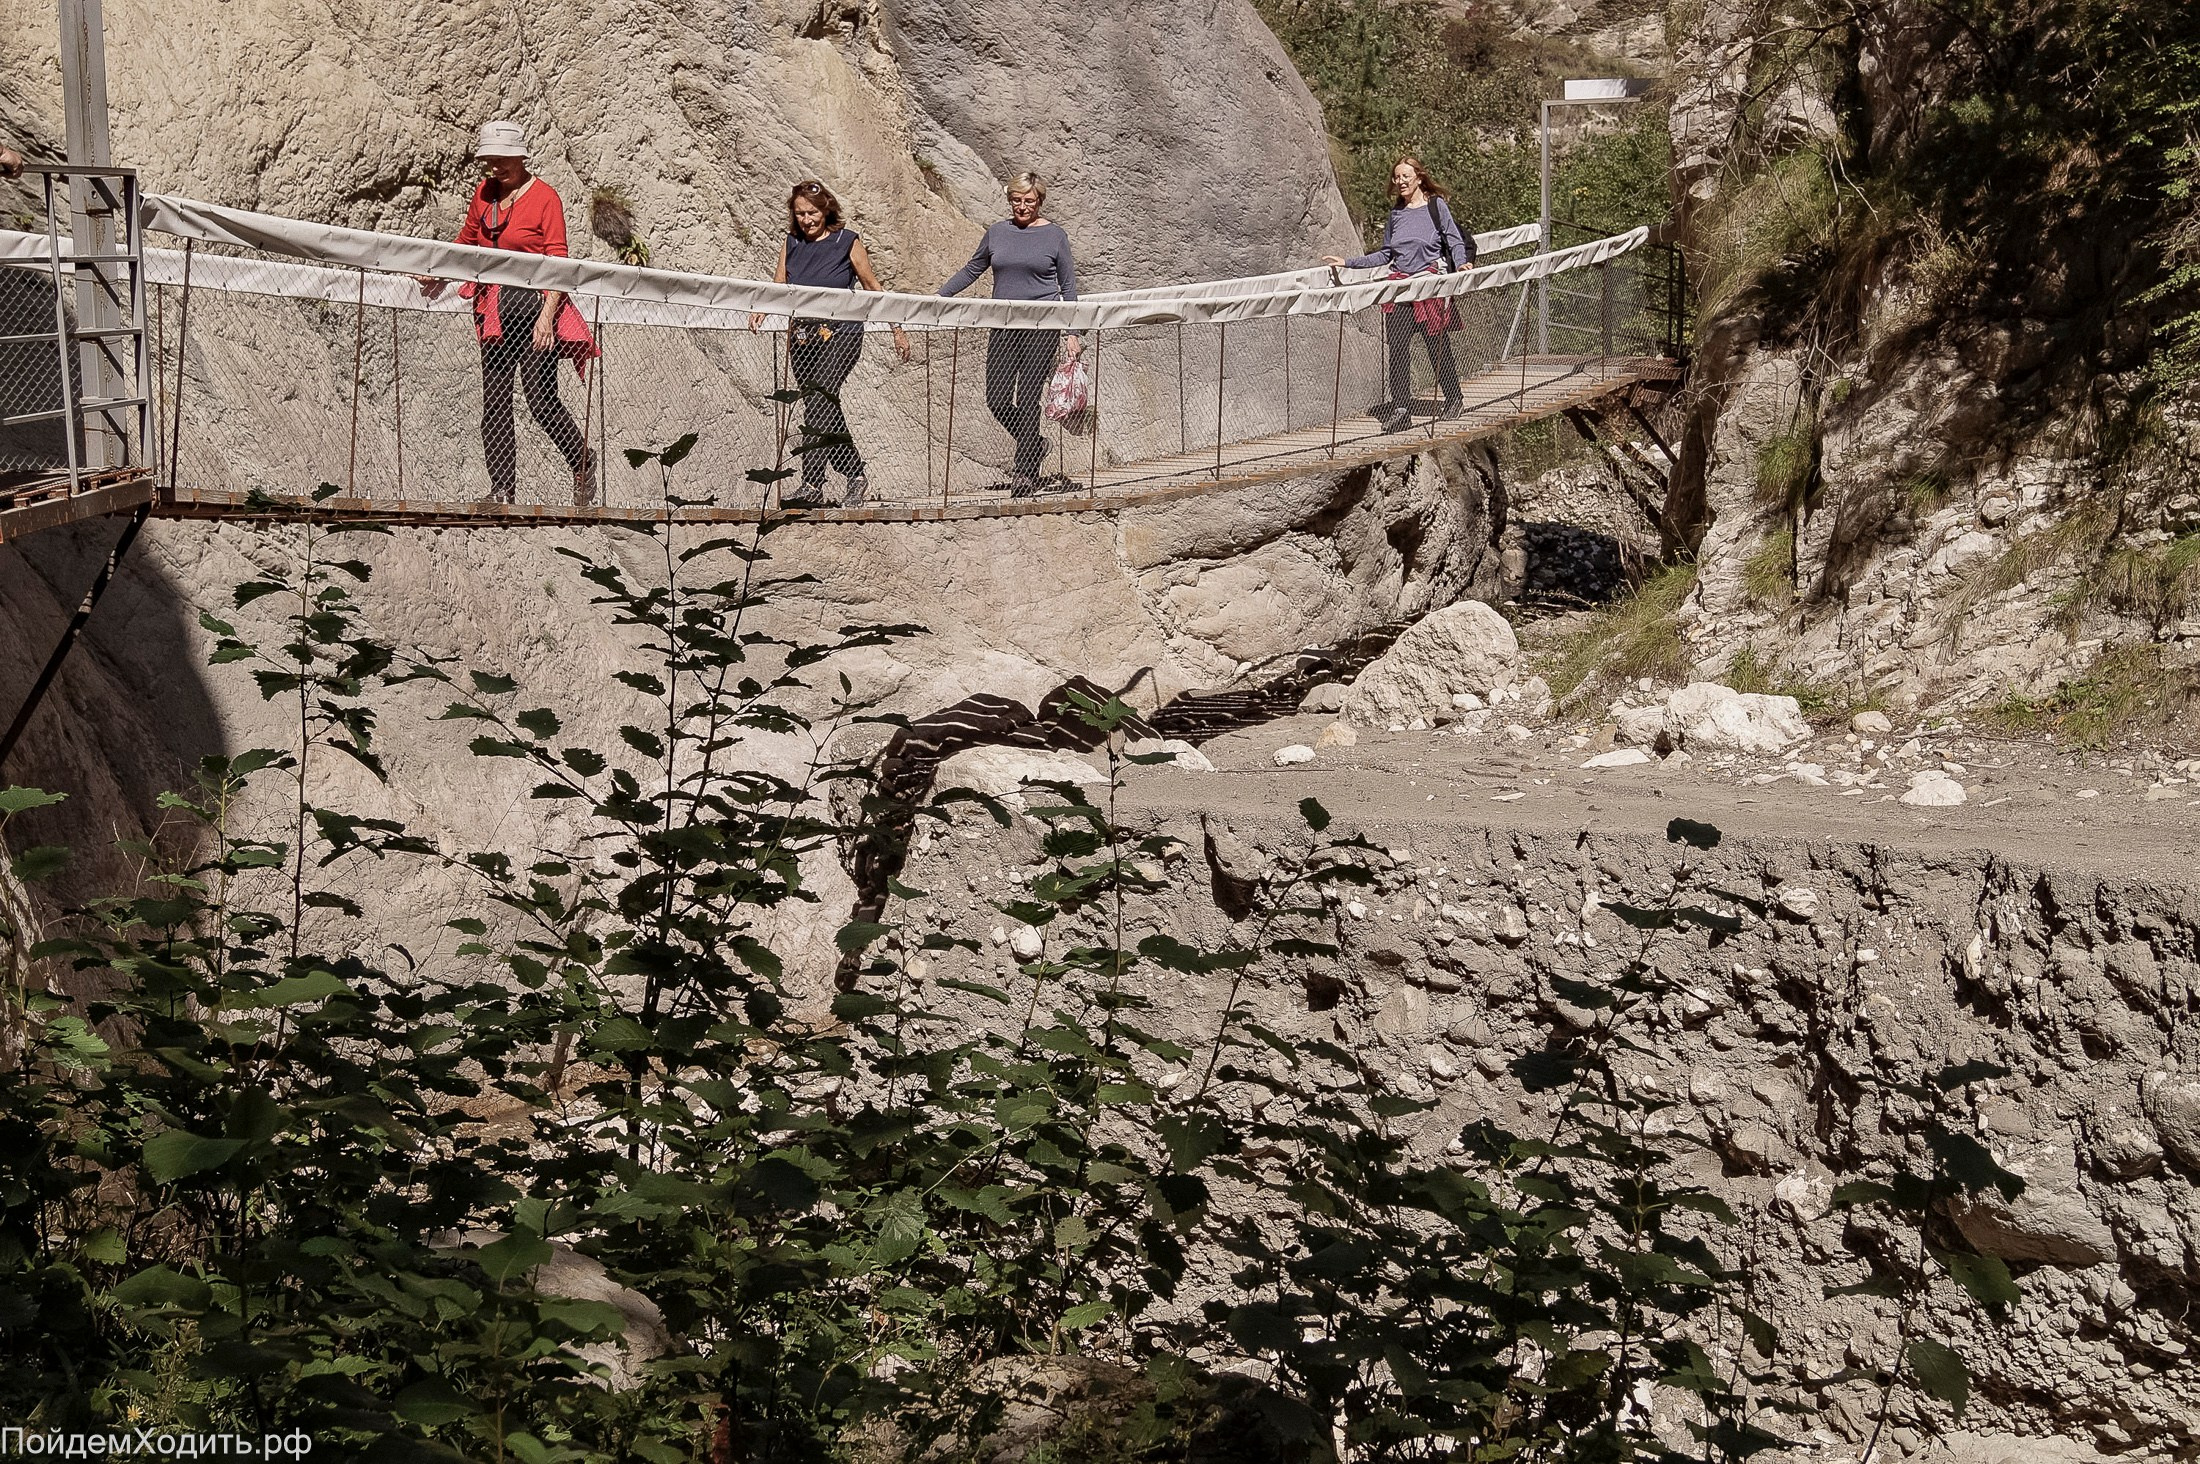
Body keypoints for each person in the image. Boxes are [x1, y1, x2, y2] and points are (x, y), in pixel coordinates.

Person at [417, 121, 598, 505]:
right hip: (496, 311)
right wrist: (438, 272)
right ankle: (502, 490)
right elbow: (467, 243)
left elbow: (558, 261)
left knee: (540, 399)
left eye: (501, 160)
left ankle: (581, 459)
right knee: (495, 400)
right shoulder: (484, 194)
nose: (494, 168)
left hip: (533, 312)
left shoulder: (545, 198)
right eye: (490, 161)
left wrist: (548, 315)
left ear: (520, 157)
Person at [747, 180, 910, 508]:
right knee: (821, 405)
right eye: (800, 213)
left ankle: (811, 483)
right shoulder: (791, 242)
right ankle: (855, 475)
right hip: (803, 338)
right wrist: (762, 307)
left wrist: (897, 327)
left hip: (842, 335)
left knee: (821, 396)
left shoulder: (846, 241)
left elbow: (871, 284)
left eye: (812, 212)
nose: (806, 220)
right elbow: (779, 283)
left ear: (826, 210)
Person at [937, 171, 1080, 496]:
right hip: (1003, 325)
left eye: (1029, 200)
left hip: (1042, 326)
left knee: (1029, 399)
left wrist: (1074, 331)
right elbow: (973, 268)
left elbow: (1068, 286)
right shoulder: (997, 232)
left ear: (1039, 201)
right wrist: (940, 298)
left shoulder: (1055, 236)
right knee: (997, 399)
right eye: (1016, 200)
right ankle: (1034, 444)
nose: (1022, 206)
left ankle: (1025, 474)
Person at [1323, 156, 1474, 433]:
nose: (1401, 181)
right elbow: (1386, 254)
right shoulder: (1396, 215)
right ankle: (1402, 409)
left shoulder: (1435, 207)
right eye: (1397, 177)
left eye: (1406, 176)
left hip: (1429, 287)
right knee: (1398, 351)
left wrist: (1462, 262)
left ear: (1419, 177)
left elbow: (1453, 239)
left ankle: (1454, 398)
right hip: (1401, 287)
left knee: (1436, 347)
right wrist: (1348, 263)